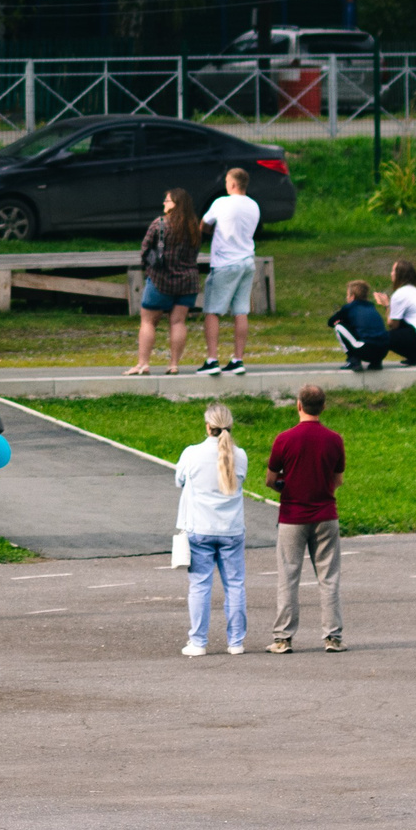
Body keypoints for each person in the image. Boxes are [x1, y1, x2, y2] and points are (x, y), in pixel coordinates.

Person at [266, 383, 346, 654]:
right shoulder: (334, 439)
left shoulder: (284, 439)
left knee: (288, 576)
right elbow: (337, 480)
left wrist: (285, 486)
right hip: (326, 515)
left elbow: (270, 479)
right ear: (323, 407)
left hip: (292, 516)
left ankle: (283, 638)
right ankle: (333, 637)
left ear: (298, 405)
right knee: (329, 577)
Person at [175, 401, 249, 657]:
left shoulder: (191, 453)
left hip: (200, 528)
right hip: (231, 529)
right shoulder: (240, 455)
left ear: (208, 426)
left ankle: (198, 642)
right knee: (235, 585)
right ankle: (236, 642)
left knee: (200, 586)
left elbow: (179, 480)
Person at [131, 187, 202, 377]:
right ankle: (173, 364)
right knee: (178, 322)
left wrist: (147, 269)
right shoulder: (193, 227)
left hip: (160, 280)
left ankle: (143, 364)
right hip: (187, 282)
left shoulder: (160, 224)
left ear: (176, 204)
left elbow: (145, 250)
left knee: (148, 322)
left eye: (167, 200)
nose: (164, 203)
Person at [197, 168, 262, 375]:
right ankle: (238, 359)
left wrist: (210, 232)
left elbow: (204, 224)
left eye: (226, 181)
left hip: (225, 262)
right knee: (241, 310)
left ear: (233, 183)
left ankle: (212, 359)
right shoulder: (254, 205)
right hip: (247, 261)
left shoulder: (221, 203)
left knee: (212, 310)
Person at [329, 279, 389, 371]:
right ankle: (376, 363)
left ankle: (353, 360)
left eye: (347, 295)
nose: (347, 298)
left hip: (366, 351)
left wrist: (343, 321)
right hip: (383, 352)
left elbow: (331, 322)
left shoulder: (350, 307)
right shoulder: (371, 307)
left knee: (339, 326)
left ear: (352, 297)